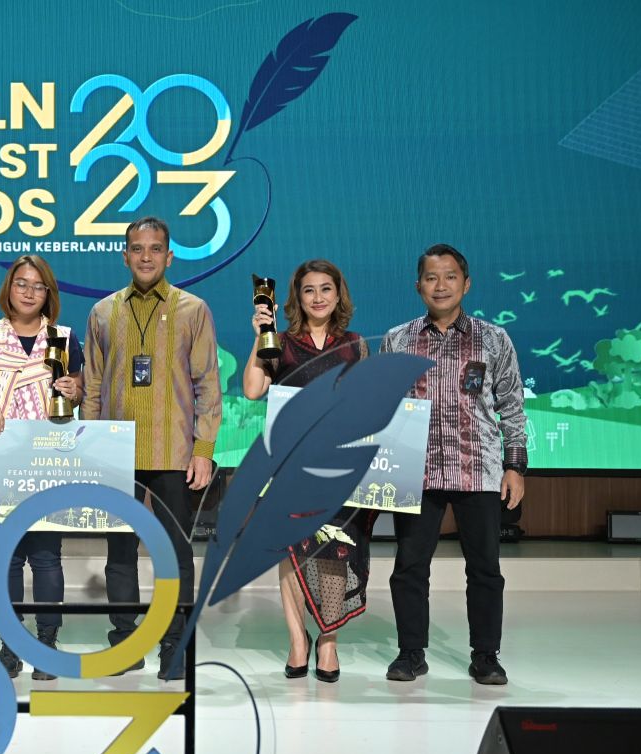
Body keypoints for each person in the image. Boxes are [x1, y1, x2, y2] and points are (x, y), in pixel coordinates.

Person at [81, 216, 221, 680]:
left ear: (169, 256)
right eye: (137, 249)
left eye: (155, 248)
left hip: (174, 452)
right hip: (115, 452)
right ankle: (125, 642)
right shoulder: (103, 312)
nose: (146, 257)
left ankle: (174, 646)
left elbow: (207, 383)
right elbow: (93, 386)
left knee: (174, 554)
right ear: (125, 256)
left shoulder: (193, 309)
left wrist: (204, 448)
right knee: (119, 552)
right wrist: (91, 449)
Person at [380, 244, 527, 685]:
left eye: (449, 276)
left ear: (466, 283)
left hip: (478, 469)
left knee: (485, 569)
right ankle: (411, 653)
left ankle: (486, 655)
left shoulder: (494, 339)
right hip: (416, 470)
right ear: (418, 286)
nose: (440, 285)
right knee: (409, 567)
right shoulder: (398, 339)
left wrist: (515, 466)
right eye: (431, 277)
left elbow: (512, 406)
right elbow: (383, 407)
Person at [242, 259, 373, 683]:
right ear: (297, 298)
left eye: (325, 289)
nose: (318, 297)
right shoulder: (279, 342)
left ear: (338, 294)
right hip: (290, 466)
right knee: (294, 553)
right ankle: (298, 641)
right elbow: (253, 390)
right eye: (308, 290)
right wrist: (259, 336)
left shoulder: (355, 344)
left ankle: (328, 641)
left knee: (335, 550)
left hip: (339, 466)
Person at [0, 254, 84, 680]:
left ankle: (47, 643)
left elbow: (80, 392)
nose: (29, 292)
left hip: (50, 457)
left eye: (38, 286)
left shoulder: (65, 338)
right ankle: (11, 644)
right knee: (8, 558)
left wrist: (73, 389)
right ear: (9, 289)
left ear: (48, 293)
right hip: (3, 458)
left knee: (47, 557)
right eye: (21, 284)